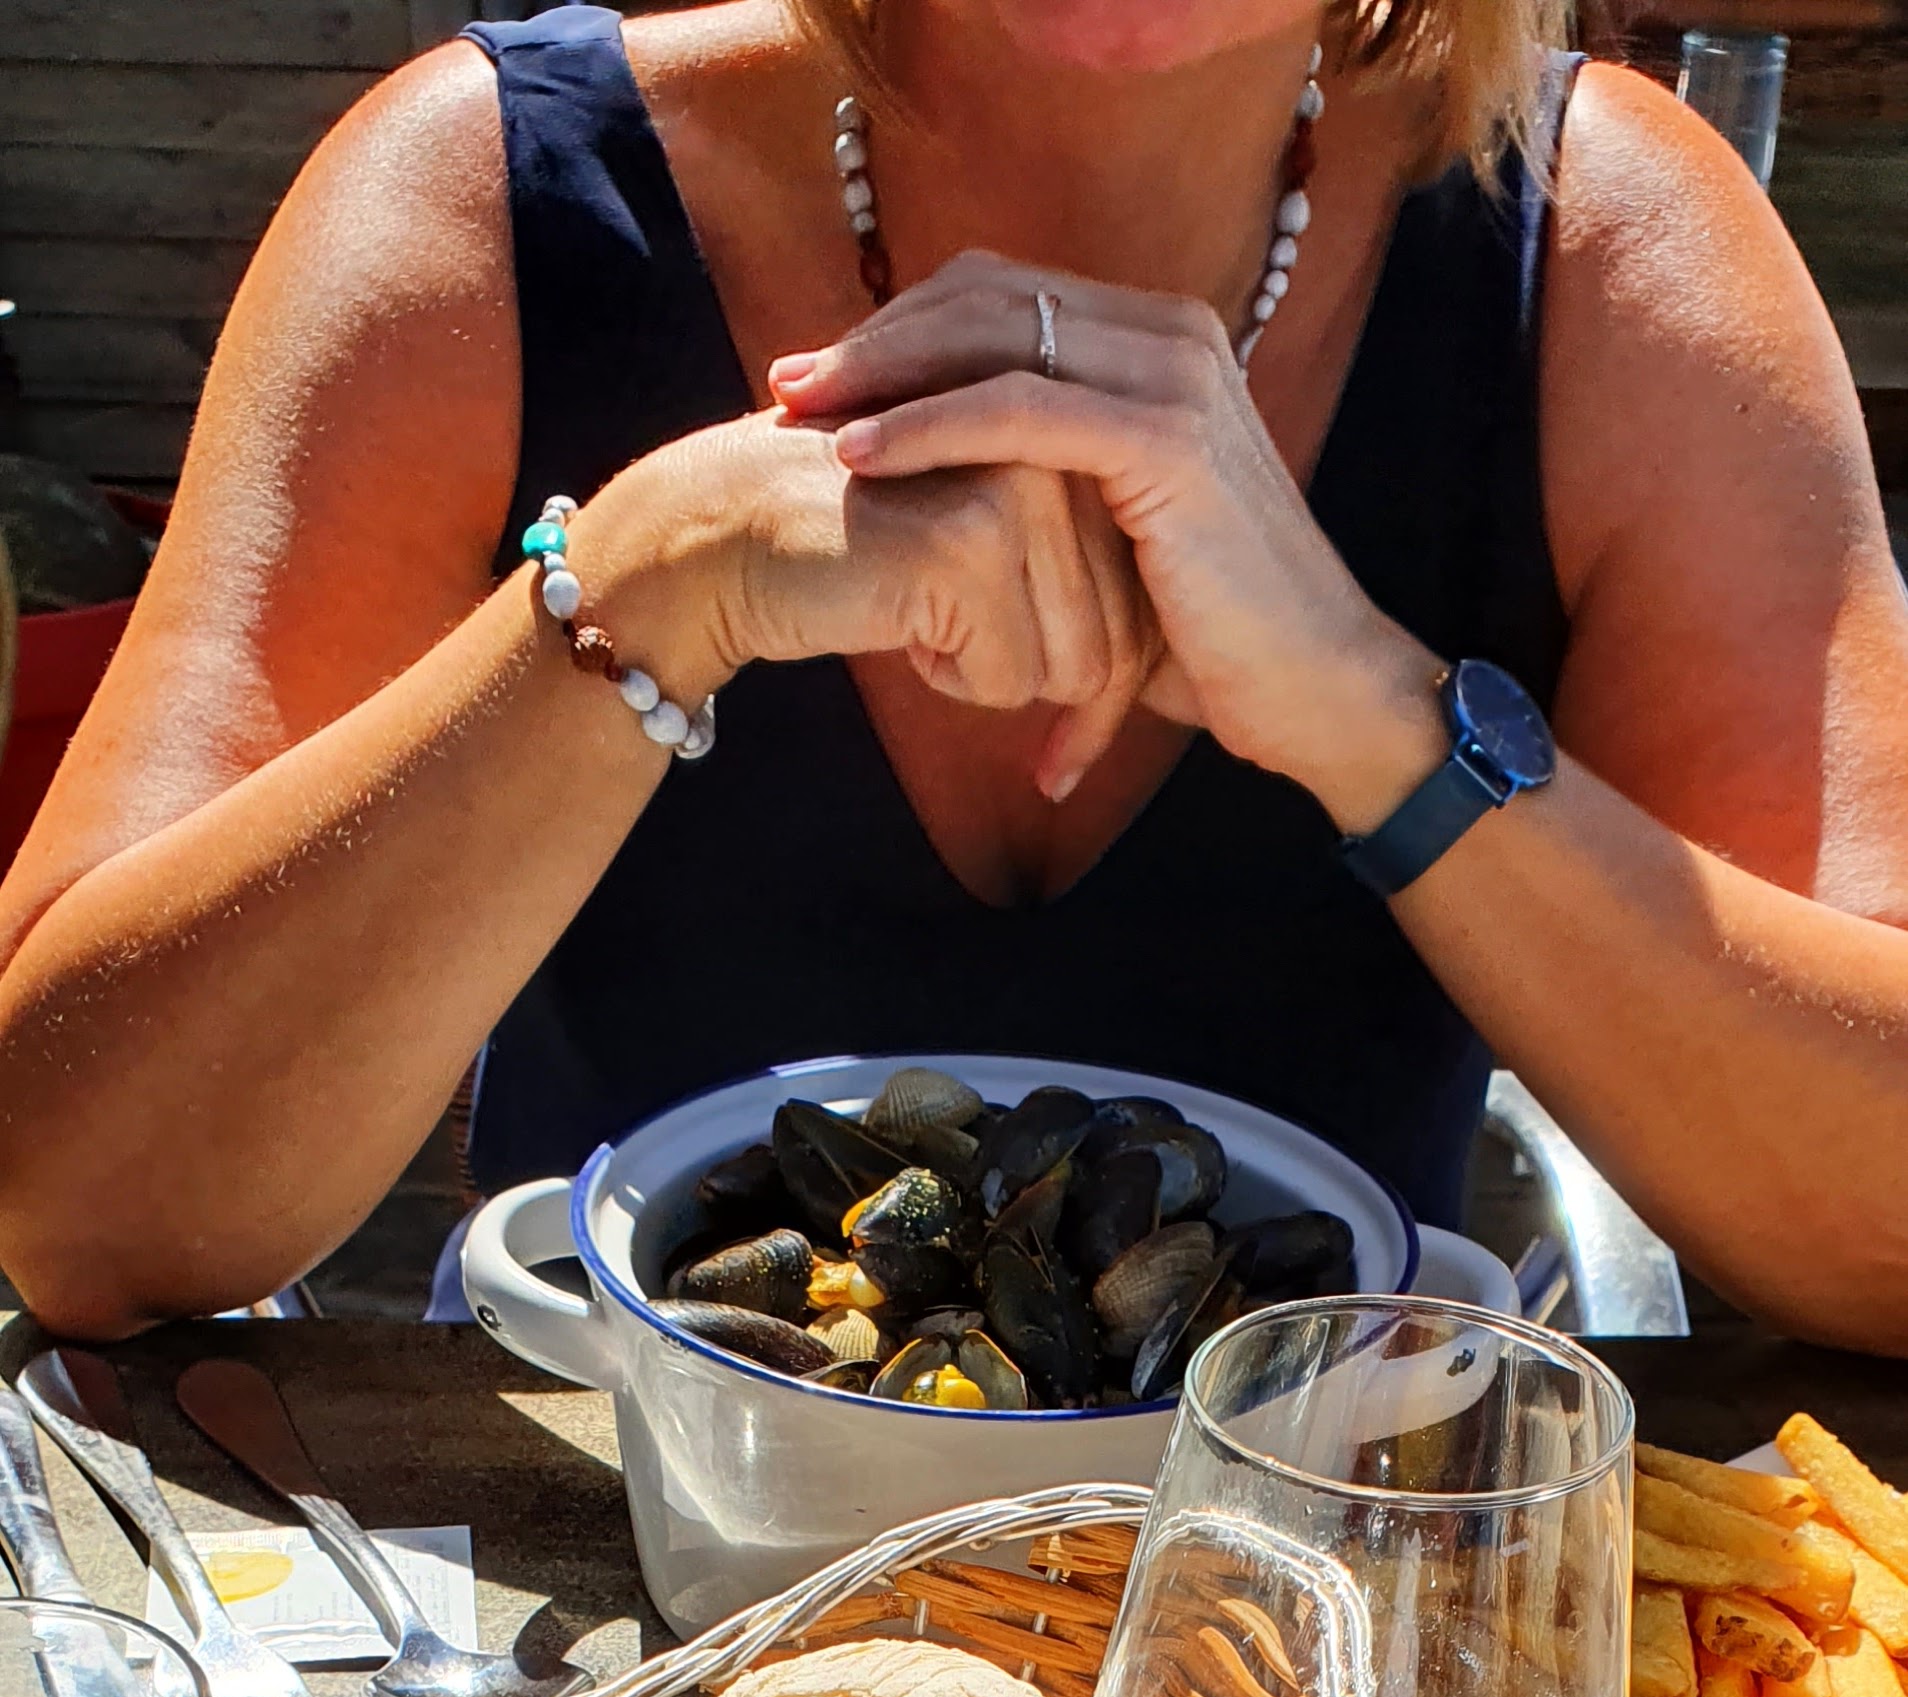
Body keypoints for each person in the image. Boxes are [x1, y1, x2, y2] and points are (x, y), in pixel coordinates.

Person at [0, 0, 1904, 1345]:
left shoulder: (1609, 253)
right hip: (581, 1642)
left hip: (1306, 1670)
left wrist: (1377, 720)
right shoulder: (484, 194)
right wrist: (640, 591)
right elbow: (75, 1211)